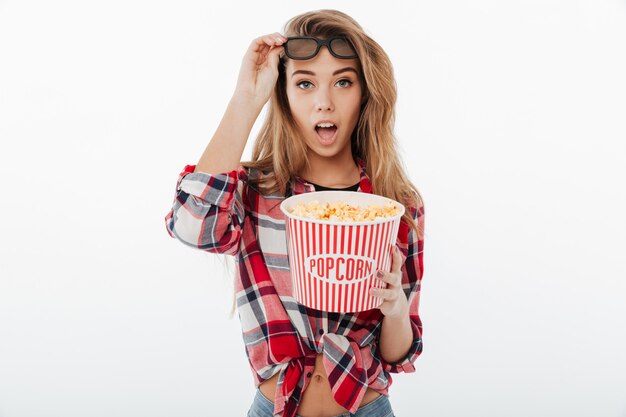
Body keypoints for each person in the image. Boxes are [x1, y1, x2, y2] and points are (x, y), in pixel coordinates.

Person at [164, 9, 425, 417]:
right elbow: (192, 226)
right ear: (283, 95)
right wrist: (246, 99)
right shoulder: (256, 193)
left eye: (342, 82)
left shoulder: (396, 205)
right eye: (305, 84)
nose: (324, 102)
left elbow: (398, 354)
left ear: (364, 94)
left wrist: (394, 308)